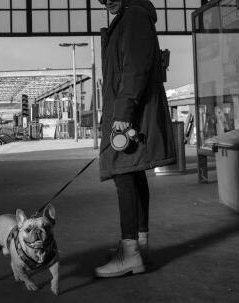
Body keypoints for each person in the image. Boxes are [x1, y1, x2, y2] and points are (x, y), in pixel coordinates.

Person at [95, 0, 176, 277]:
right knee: (133, 174)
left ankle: (130, 253)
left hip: (130, 115)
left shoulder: (134, 17)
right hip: (128, 112)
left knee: (125, 177)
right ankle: (139, 248)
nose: (105, 2)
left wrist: (122, 114)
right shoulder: (131, 17)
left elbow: (134, 70)